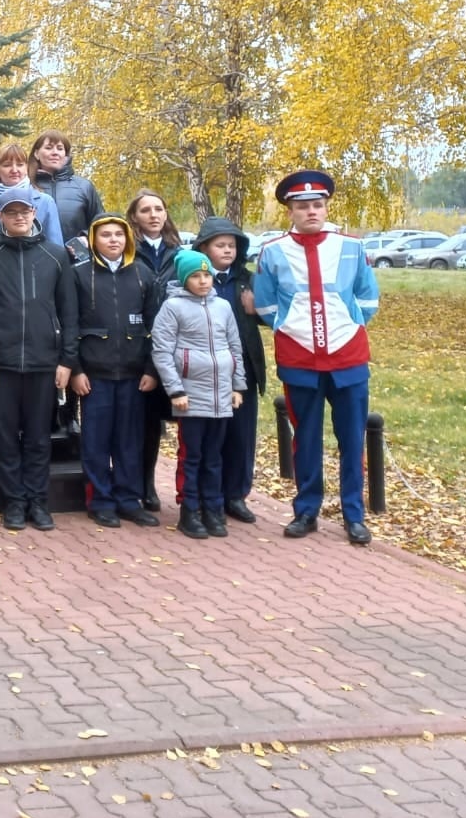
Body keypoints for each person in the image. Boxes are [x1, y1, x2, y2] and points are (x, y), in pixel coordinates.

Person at [253, 171, 380, 546]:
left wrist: (348, 324)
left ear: (326, 207)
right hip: (299, 358)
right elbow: (265, 302)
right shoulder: (272, 251)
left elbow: (368, 297)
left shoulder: (352, 247)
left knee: (352, 439)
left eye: (317, 205)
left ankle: (353, 514)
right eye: (302, 206)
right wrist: (288, 324)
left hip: (348, 356)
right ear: (290, 211)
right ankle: (306, 511)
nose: (311, 211)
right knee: (305, 439)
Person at [0, 188, 78, 533]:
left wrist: (67, 361)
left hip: (45, 362)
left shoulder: (56, 256)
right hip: (0, 362)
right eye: (11, 212)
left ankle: (38, 501)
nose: (18, 217)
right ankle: (14, 501)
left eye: (24, 212)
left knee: (40, 436)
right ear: (1, 216)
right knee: (6, 436)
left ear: (33, 213)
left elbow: (69, 313)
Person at [69, 214, 161, 529]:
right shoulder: (79, 275)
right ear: (94, 239)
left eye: (118, 235)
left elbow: (157, 327)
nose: (113, 240)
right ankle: (100, 501)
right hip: (93, 375)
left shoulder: (143, 274)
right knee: (95, 441)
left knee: (129, 441)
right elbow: (69, 326)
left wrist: (152, 369)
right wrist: (75, 370)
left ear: (127, 239)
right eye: (106, 235)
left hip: (135, 374)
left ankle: (128, 499)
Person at [151, 250, 247, 540]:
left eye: (207, 275)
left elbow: (234, 345)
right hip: (190, 395)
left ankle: (212, 508)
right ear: (185, 279)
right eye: (196, 276)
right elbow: (162, 351)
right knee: (191, 455)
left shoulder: (223, 307)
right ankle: (189, 509)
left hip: (221, 395)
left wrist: (237, 385)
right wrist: (175, 389)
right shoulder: (173, 307)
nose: (203, 281)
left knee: (214, 456)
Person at [192, 217, 267, 524]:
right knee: (208, 437)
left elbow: (273, 314)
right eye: (220, 245)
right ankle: (204, 496)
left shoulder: (248, 280)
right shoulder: (194, 279)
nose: (227, 251)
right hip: (204, 372)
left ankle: (235, 495)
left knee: (241, 434)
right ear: (205, 248)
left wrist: (258, 309)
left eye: (232, 245)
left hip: (242, 369)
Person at [126, 188, 181, 511]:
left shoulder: (179, 254)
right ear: (134, 216)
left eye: (158, 209)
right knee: (140, 422)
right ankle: (140, 483)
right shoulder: (129, 251)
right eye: (146, 210)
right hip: (136, 347)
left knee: (160, 423)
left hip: (172, 350)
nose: (153, 215)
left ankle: (158, 485)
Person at [0, 144, 64, 246]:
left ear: (26, 168)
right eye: (7, 165)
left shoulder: (45, 202)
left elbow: (56, 249)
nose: (14, 170)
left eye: (20, 164)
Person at [29, 130, 105, 246]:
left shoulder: (83, 186)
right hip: (37, 261)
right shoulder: (26, 186)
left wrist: (86, 237)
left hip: (77, 261)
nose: (55, 153)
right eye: (49, 148)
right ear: (36, 153)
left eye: (60, 148)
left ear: (66, 154)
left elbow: (102, 223)